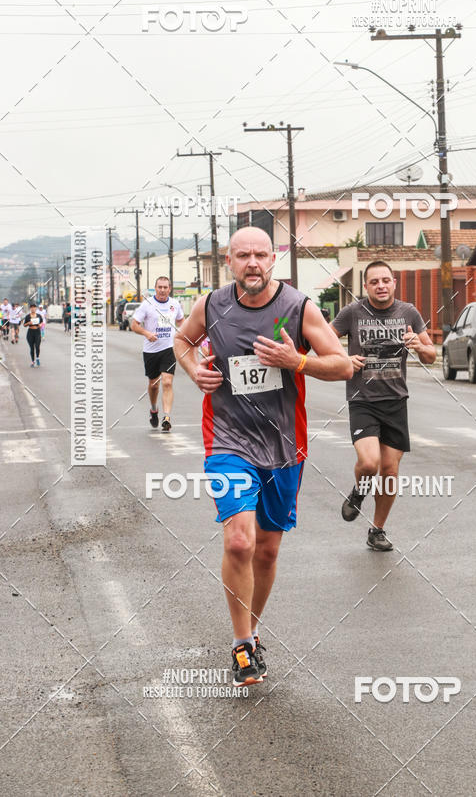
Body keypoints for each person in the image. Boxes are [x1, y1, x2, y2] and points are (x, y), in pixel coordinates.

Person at [174, 227, 352, 687]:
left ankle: (251, 632)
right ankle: (241, 646)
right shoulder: (212, 306)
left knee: (268, 551)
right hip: (227, 440)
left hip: (282, 446)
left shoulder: (298, 308)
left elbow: (342, 364)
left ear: (273, 259)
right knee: (239, 540)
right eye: (242, 256)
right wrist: (195, 371)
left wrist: (298, 363)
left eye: (260, 255)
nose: (252, 263)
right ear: (228, 261)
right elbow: (182, 341)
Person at [331, 261, 436, 551]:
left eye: (385, 280)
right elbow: (323, 338)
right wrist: (342, 360)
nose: (381, 285)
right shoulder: (352, 312)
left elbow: (431, 356)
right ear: (366, 286)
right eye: (374, 281)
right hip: (362, 401)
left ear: (394, 283)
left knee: (389, 473)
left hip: (395, 401)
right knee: (369, 463)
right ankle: (359, 491)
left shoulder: (408, 312)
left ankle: (377, 530)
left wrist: (419, 344)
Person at [131, 277, 185, 431]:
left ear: (170, 288)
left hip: (168, 349)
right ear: (155, 288)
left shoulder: (175, 304)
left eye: (165, 287)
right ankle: (154, 409)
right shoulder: (147, 305)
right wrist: (146, 333)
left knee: (167, 382)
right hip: (151, 350)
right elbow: (134, 325)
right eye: (159, 287)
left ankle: (166, 417)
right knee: (153, 385)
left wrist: (184, 333)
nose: (162, 290)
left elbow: (181, 321)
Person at [23, 302, 43, 366]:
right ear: (30, 309)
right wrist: (29, 323)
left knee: (37, 346)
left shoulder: (39, 316)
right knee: (32, 348)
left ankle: (37, 358)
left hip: (37, 331)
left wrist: (40, 325)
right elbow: (24, 325)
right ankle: (33, 361)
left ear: (36, 308)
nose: (33, 309)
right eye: (31, 308)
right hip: (30, 332)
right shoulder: (27, 316)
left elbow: (42, 322)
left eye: (34, 308)